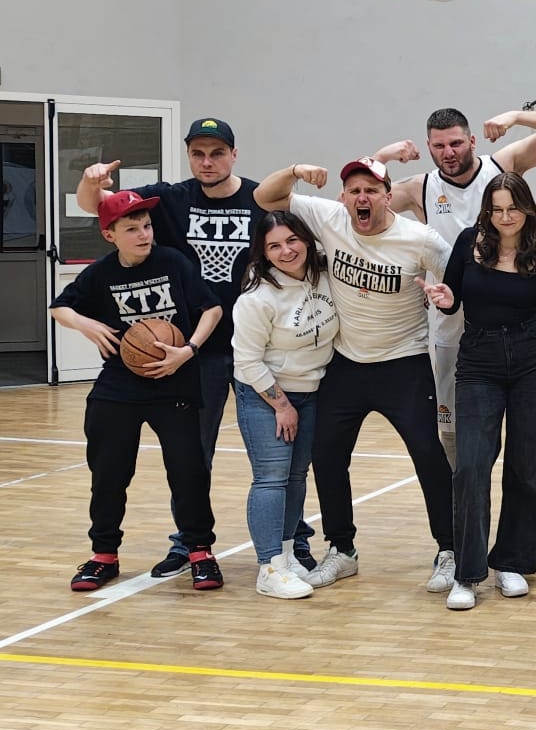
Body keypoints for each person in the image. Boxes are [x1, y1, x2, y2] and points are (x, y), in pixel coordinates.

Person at [76, 116, 275, 578]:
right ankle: (190, 544)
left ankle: (291, 540)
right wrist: (89, 181)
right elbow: (98, 207)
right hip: (193, 352)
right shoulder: (170, 198)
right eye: (198, 154)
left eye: (217, 153)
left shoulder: (260, 199)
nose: (207, 162)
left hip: (257, 346)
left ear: (234, 154)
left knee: (272, 455)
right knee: (192, 456)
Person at [255, 158, 454, 592]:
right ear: (344, 197)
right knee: (327, 456)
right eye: (354, 191)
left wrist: (449, 297)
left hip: (404, 363)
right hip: (345, 363)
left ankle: (450, 549)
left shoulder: (420, 239)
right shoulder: (329, 217)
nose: (362, 198)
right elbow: (265, 197)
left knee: (428, 455)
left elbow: (460, 279)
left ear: (388, 196)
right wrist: (294, 170)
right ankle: (342, 549)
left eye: (372, 190)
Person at [369, 107, 536, 461]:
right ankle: (461, 499)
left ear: (471, 141)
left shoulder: (502, 165)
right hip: (453, 324)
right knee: (459, 438)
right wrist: (383, 157)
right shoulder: (420, 187)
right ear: (428, 147)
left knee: (523, 440)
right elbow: (360, 200)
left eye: (455, 143)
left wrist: (515, 117)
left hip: (513, 325)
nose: (448, 153)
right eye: (439, 146)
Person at [48, 191, 225, 593]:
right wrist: (85, 324)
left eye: (146, 226)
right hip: (120, 384)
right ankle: (103, 555)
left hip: (174, 379)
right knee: (108, 473)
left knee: (188, 472)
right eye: (132, 229)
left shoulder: (173, 262)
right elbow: (60, 308)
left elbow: (211, 309)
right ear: (109, 235)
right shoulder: (100, 273)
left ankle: (200, 552)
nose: (144, 234)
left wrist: (188, 350)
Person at [431, 172, 536, 610]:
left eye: (513, 208)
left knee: (527, 465)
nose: (505, 217)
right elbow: (453, 300)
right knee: (471, 465)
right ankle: (467, 573)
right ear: (487, 212)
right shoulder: (468, 243)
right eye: (496, 209)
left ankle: (512, 562)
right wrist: (444, 300)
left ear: (527, 209)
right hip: (479, 357)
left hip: (535, 357)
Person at [229, 209, 338, 599]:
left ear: (306, 240)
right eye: (274, 246)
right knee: (271, 478)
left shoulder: (325, 276)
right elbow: (247, 361)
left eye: (292, 240)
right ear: (263, 252)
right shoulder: (257, 298)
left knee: (296, 477)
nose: (286, 251)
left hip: (311, 391)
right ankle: (269, 567)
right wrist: (281, 405)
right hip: (265, 394)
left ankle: (289, 556)